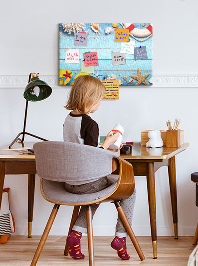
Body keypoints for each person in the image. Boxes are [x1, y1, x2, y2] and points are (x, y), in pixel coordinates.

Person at [63, 75, 136, 260]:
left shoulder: (68, 120)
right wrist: (109, 143)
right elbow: (92, 156)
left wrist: (106, 145)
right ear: (90, 99)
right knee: (129, 189)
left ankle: (76, 235)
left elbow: (81, 149)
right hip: (87, 182)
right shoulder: (90, 124)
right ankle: (121, 237)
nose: (99, 103)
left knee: (94, 194)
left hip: (69, 182)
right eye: (99, 99)